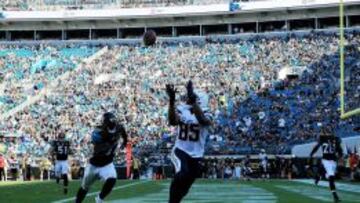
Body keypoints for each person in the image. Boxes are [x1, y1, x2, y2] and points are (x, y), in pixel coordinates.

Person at [166, 80, 212, 203]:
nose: (187, 99)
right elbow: (172, 121)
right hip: (180, 150)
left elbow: (203, 120)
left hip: (196, 155)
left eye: (191, 97)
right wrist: (171, 102)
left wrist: (193, 101)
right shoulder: (183, 110)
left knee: (184, 188)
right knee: (182, 173)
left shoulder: (207, 112)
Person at [75, 112, 128, 203]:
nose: (102, 124)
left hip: (107, 164)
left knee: (112, 179)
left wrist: (124, 143)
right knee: (84, 187)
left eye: (103, 122)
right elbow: (101, 145)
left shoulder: (119, 128)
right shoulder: (98, 133)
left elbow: (124, 135)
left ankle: (99, 199)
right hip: (94, 164)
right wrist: (112, 141)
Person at [310, 129, 343, 203]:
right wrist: (312, 153)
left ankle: (318, 176)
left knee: (328, 175)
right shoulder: (323, 138)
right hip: (326, 160)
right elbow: (317, 146)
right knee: (331, 177)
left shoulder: (335, 139)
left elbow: (339, 150)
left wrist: (340, 156)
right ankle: (335, 196)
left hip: (333, 161)